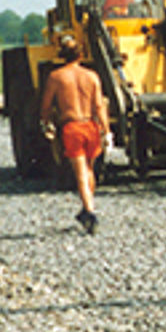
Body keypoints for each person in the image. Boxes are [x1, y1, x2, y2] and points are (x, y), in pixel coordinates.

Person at [39, 34, 109, 233]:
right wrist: (106, 130)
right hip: (91, 126)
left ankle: (90, 212)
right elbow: (99, 105)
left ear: (62, 55)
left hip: (72, 127)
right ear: (80, 55)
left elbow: (45, 106)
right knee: (89, 169)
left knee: (79, 174)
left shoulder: (56, 77)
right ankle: (87, 207)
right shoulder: (92, 76)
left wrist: (46, 123)